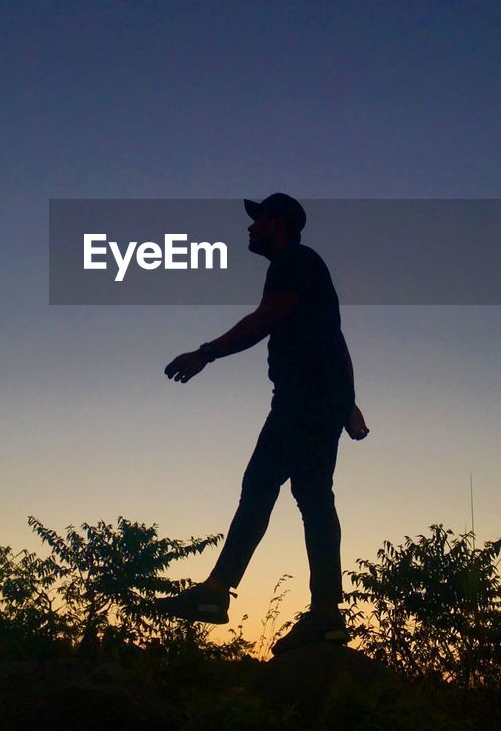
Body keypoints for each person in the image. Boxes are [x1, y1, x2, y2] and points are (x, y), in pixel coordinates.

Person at [155, 192, 369, 654]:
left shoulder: (293, 260)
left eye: (258, 220)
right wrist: (348, 402)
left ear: (279, 223)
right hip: (318, 399)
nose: (249, 228)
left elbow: (267, 319)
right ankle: (327, 617)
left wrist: (205, 353)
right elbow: (336, 338)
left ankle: (217, 594)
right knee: (310, 497)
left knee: (263, 486)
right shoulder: (304, 265)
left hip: (303, 400)